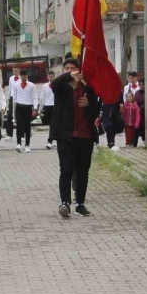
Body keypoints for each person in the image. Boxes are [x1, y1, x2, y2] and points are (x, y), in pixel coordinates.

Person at [50, 58, 100, 218]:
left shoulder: (87, 88)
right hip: (66, 136)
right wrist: (69, 75)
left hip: (85, 135)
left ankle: (80, 203)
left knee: (83, 171)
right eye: (67, 68)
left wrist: (90, 104)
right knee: (66, 169)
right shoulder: (61, 88)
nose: (70, 70)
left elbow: (95, 111)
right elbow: (55, 84)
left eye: (73, 68)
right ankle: (65, 202)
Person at [13, 69, 39, 153]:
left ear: (27, 75)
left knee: (27, 126)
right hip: (19, 107)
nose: (23, 77)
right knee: (19, 126)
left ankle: (27, 145)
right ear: (20, 76)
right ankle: (18, 144)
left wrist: (35, 108)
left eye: (24, 75)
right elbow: (14, 99)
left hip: (28, 107)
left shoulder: (31, 85)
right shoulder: (16, 85)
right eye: (22, 75)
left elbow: (35, 97)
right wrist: (13, 112)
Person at [40, 71, 56, 149]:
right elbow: (42, 97)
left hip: (55, 106)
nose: (50, 78)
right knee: (51, 124)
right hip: (48, 106)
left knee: (53, 124)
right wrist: (41, 108)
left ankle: (50, 141)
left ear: (54, 76)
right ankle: (53, 139)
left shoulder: (57, 84)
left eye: (51, 76)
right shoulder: (45, 86)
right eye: (49, 76)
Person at [6, 66, 22, 138]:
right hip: (12, 97)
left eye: (16, 71)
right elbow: (10, 89)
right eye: (13, 71)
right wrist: (9, 98)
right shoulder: (11, 78)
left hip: (20, 97)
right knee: (10, 115)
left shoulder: (22, 78)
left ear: (19, 70)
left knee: (20, 115)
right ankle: (9, 133)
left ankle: (22, 133)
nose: (15, 72)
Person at [134, 80, 146, 147]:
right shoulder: (137, 93)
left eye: (143, 84)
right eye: (140, 85)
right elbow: (135, 101)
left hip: (144, 113)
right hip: (137, 113)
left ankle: (144, 141)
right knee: (136, 127)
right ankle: (134, 143)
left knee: (143, 127)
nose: (141, 86)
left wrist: (140, 108)